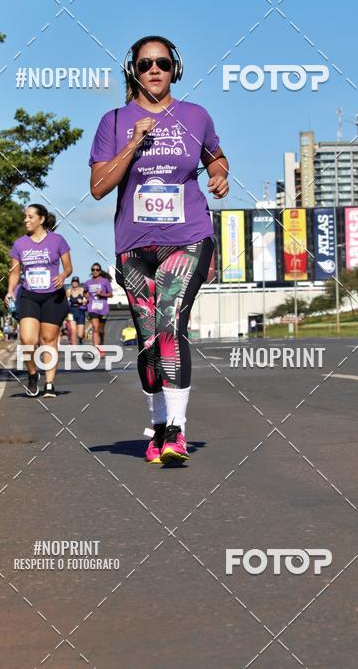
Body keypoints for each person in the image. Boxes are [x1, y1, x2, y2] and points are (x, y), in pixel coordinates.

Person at [89, 34, 229, 464]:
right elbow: (98, 188)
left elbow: (216, 158)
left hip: (187, 236)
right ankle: (157, 426)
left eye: (163, 63)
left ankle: (176, 431)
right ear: (133, 69)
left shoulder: (195, 116)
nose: (155, 70)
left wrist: (219, 177)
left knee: (170, 326)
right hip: (133, 244)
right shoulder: (113, 121)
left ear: (176, 69)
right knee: (149, 340)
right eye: (147, 63)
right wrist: (132, 144)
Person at [6, 204, 72, 398]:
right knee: (28, 340)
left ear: (41, 219)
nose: (25, 220)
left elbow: (68, 267)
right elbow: (15, 273)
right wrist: (10, 291)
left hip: (54, 296)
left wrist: (63, 276)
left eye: (29, 217)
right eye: (25, 217)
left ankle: (49, 384)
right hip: (29, 295)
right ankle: (33, 374)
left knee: (49, 340)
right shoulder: (19, 244)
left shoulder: (57, 240)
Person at [81, 263, 113, 352]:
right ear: (91, 271)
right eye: (93, 269)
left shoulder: (105, 281)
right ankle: (96, 349)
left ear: (100, 271)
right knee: (95, 328)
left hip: (103, 308)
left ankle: (101, 345)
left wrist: (102, 294)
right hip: (92, 307)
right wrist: (86, 296)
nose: (95, 271)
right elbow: (84, 292)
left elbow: (111, 294)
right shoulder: (88, 282)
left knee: (101, 330)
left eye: (97, 269)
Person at [66, 276, 87, 345]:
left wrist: (82, 301)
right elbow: (66, 302)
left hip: (80, 311)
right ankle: (74, 349)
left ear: (78, 283)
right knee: (73, 330)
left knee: (80, 334)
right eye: (73, 282)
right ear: (72, 283)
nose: (75, 283)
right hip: (71, 312)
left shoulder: (82, 290)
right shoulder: (69, 291)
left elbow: (87, 300)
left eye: (76, 282)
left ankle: (80, 340)